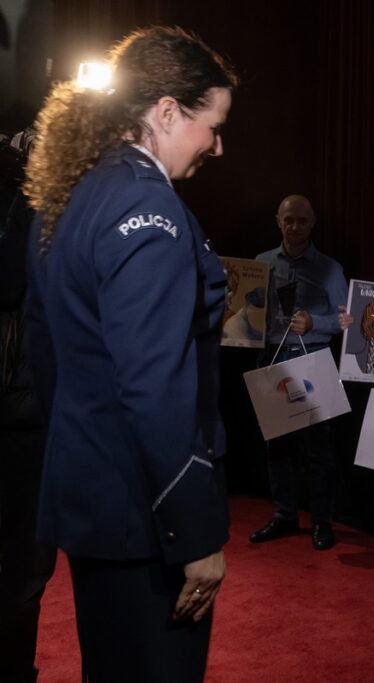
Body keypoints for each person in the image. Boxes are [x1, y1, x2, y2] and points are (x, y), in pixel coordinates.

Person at [21, 26, 236, 681]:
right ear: (167, 111)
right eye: (212, 126)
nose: (218, 147)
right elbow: (155, 386)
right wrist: (193, 534)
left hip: (94, 497)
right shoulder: (148, 205)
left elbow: (45, 349)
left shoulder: (69, 193)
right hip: (146, 518)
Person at [249, 194, 349, 551]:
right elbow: (246, 312)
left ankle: (322, 521)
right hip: (273, 358)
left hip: (315, 358)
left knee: (319, 450)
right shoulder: (261, 263)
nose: (294, 227)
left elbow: (345, 320)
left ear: (313, 223)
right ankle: (285, 515)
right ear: (278, 221)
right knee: (277, 447)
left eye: (302, 220)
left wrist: (314, 322)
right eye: (288, 219)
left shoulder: (330, 268)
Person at [0, 127, 56, 683]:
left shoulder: (59, 207)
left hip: (33, 417)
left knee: (27, 571)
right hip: (19, 412)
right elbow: (7, 280)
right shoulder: (22, 204)